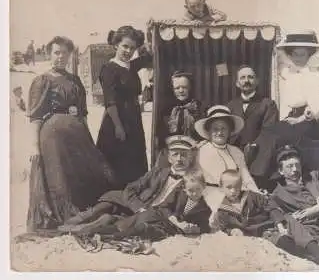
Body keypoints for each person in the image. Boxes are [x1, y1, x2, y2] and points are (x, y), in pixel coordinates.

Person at [26, 36, 116, 232]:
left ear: (70, 55)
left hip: (77, 135)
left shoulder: (74, 80)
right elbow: (35, 117)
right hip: (53, 139)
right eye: (56, 52)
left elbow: (83, 113)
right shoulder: (42, 81)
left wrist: (87, 139)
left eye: (64, 53)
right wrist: (34, 147)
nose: (60, 57)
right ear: (49, 54)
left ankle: (84, 213)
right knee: (59, 179)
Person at [247, 31, 319, 190]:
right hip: (295, 118)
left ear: (310, 54)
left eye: (302, 54)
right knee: (268, 132)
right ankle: (257, 170)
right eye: (294, 54)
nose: (297, 58)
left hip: (311, 122)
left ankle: (259, 175)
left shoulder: (316, 76)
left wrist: (299, 119)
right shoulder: (290, 75)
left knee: (273, 134)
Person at [60, 135, 201, 231]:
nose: (179, 159)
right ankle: (82, 218)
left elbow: (182, 210)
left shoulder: (192, 181)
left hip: (155, 215)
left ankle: (92, 226)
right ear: (169, 157)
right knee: (113, 196)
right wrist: (138, 206)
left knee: (118, 221)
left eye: (184, 154)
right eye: (175, 154)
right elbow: (132, 187)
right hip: (138, 206)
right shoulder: (158, 171)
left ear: (191, 157)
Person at [214, 169, 319, 269]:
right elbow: (224, 226)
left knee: (295, 226)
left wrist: (279, 222)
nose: (233, 191)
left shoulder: (251, 196)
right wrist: (232, 231)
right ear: (221, 187)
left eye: (237, 186)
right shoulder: (223, 210)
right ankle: (309, 256)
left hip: (274, 220)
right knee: (283, 241)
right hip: (262, 231)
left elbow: (271, 206)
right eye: (229, 187)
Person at [96, 25, 152, 189]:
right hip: (116, 121)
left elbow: (150, 55)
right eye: (125, 46)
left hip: (133, 120)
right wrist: (118, 126)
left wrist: (148, 36)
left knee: (133, 163)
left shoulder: (131, 66)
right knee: (116, 166)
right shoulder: (109, 69)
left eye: (132, 48)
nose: (128, 51)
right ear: (116, 45)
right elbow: (110, 102)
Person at [194, 105, 260, 220]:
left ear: (230, 131)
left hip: (235, 194)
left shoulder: (236, 151)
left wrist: (258, 194)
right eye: (215, 129)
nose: (219, 132)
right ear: (209, 131)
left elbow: (246, 177)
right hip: (211, 195)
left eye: (223, 128)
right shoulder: (201, 151)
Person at [227, 65, 279, 163]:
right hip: (233, 157)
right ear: (237, 83)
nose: (247, 81)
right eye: (243, 78)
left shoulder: (267, 104)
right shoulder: (230, 106)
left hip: (259, 156)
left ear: (257, 81)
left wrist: (253, 148)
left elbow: (269, 132)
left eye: (250, 77)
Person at [160, 71, 205, 144]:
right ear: (173, 90)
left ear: (190, 88)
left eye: (184, 87)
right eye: (177, 88)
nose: (181, 91)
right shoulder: (167, 110)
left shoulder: (199, 107)